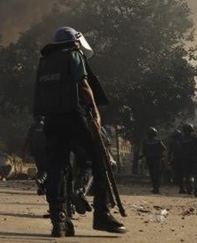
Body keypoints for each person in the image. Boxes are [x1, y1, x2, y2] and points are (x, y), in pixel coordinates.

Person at [33, 26, 126, 237]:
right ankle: (101, 213)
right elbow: (83, 85)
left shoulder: (45, 61)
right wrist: (95, 113)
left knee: (58, 169)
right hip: (74, 117)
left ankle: (60, 221)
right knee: (99, 160)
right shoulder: (73, 54)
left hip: (51, 120)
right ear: (75, 41)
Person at [178, 123, 197, 197]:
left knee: (187, 175)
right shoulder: (195, 137)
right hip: (195, 158)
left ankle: (189, 189)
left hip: (185, 159)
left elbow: (179, 148)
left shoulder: (181, 139)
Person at [24, 115, 48, 194]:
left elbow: (27, 139)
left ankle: (42, 188)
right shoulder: (47, 125)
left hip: (36, 151)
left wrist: (24, 151)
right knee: (47, 169)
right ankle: (42, 181)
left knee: (41, 168)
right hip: (45, 150)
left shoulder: (33, 126)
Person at [140, 127, 166, 194]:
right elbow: (164, 149)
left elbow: (144, 151)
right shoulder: (158, 141)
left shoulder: (145, 142)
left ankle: (155, 187)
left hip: (150, 160)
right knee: (157, 173)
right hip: (157, 159)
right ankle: (156, 187)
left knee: (152, 174)